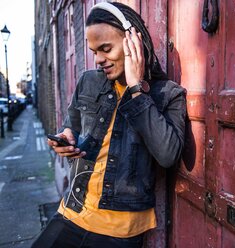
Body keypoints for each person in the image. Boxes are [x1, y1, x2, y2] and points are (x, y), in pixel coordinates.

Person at [32, 2, 186, 247]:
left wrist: (137, 90)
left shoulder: (168, 94)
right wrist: (66, 139)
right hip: (72, 212)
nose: (99, 59)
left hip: (119, 232)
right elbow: (71, 127)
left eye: (105, 48)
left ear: (132, 41)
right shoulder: (88, 82)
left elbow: (168, 156)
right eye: (94, 51)